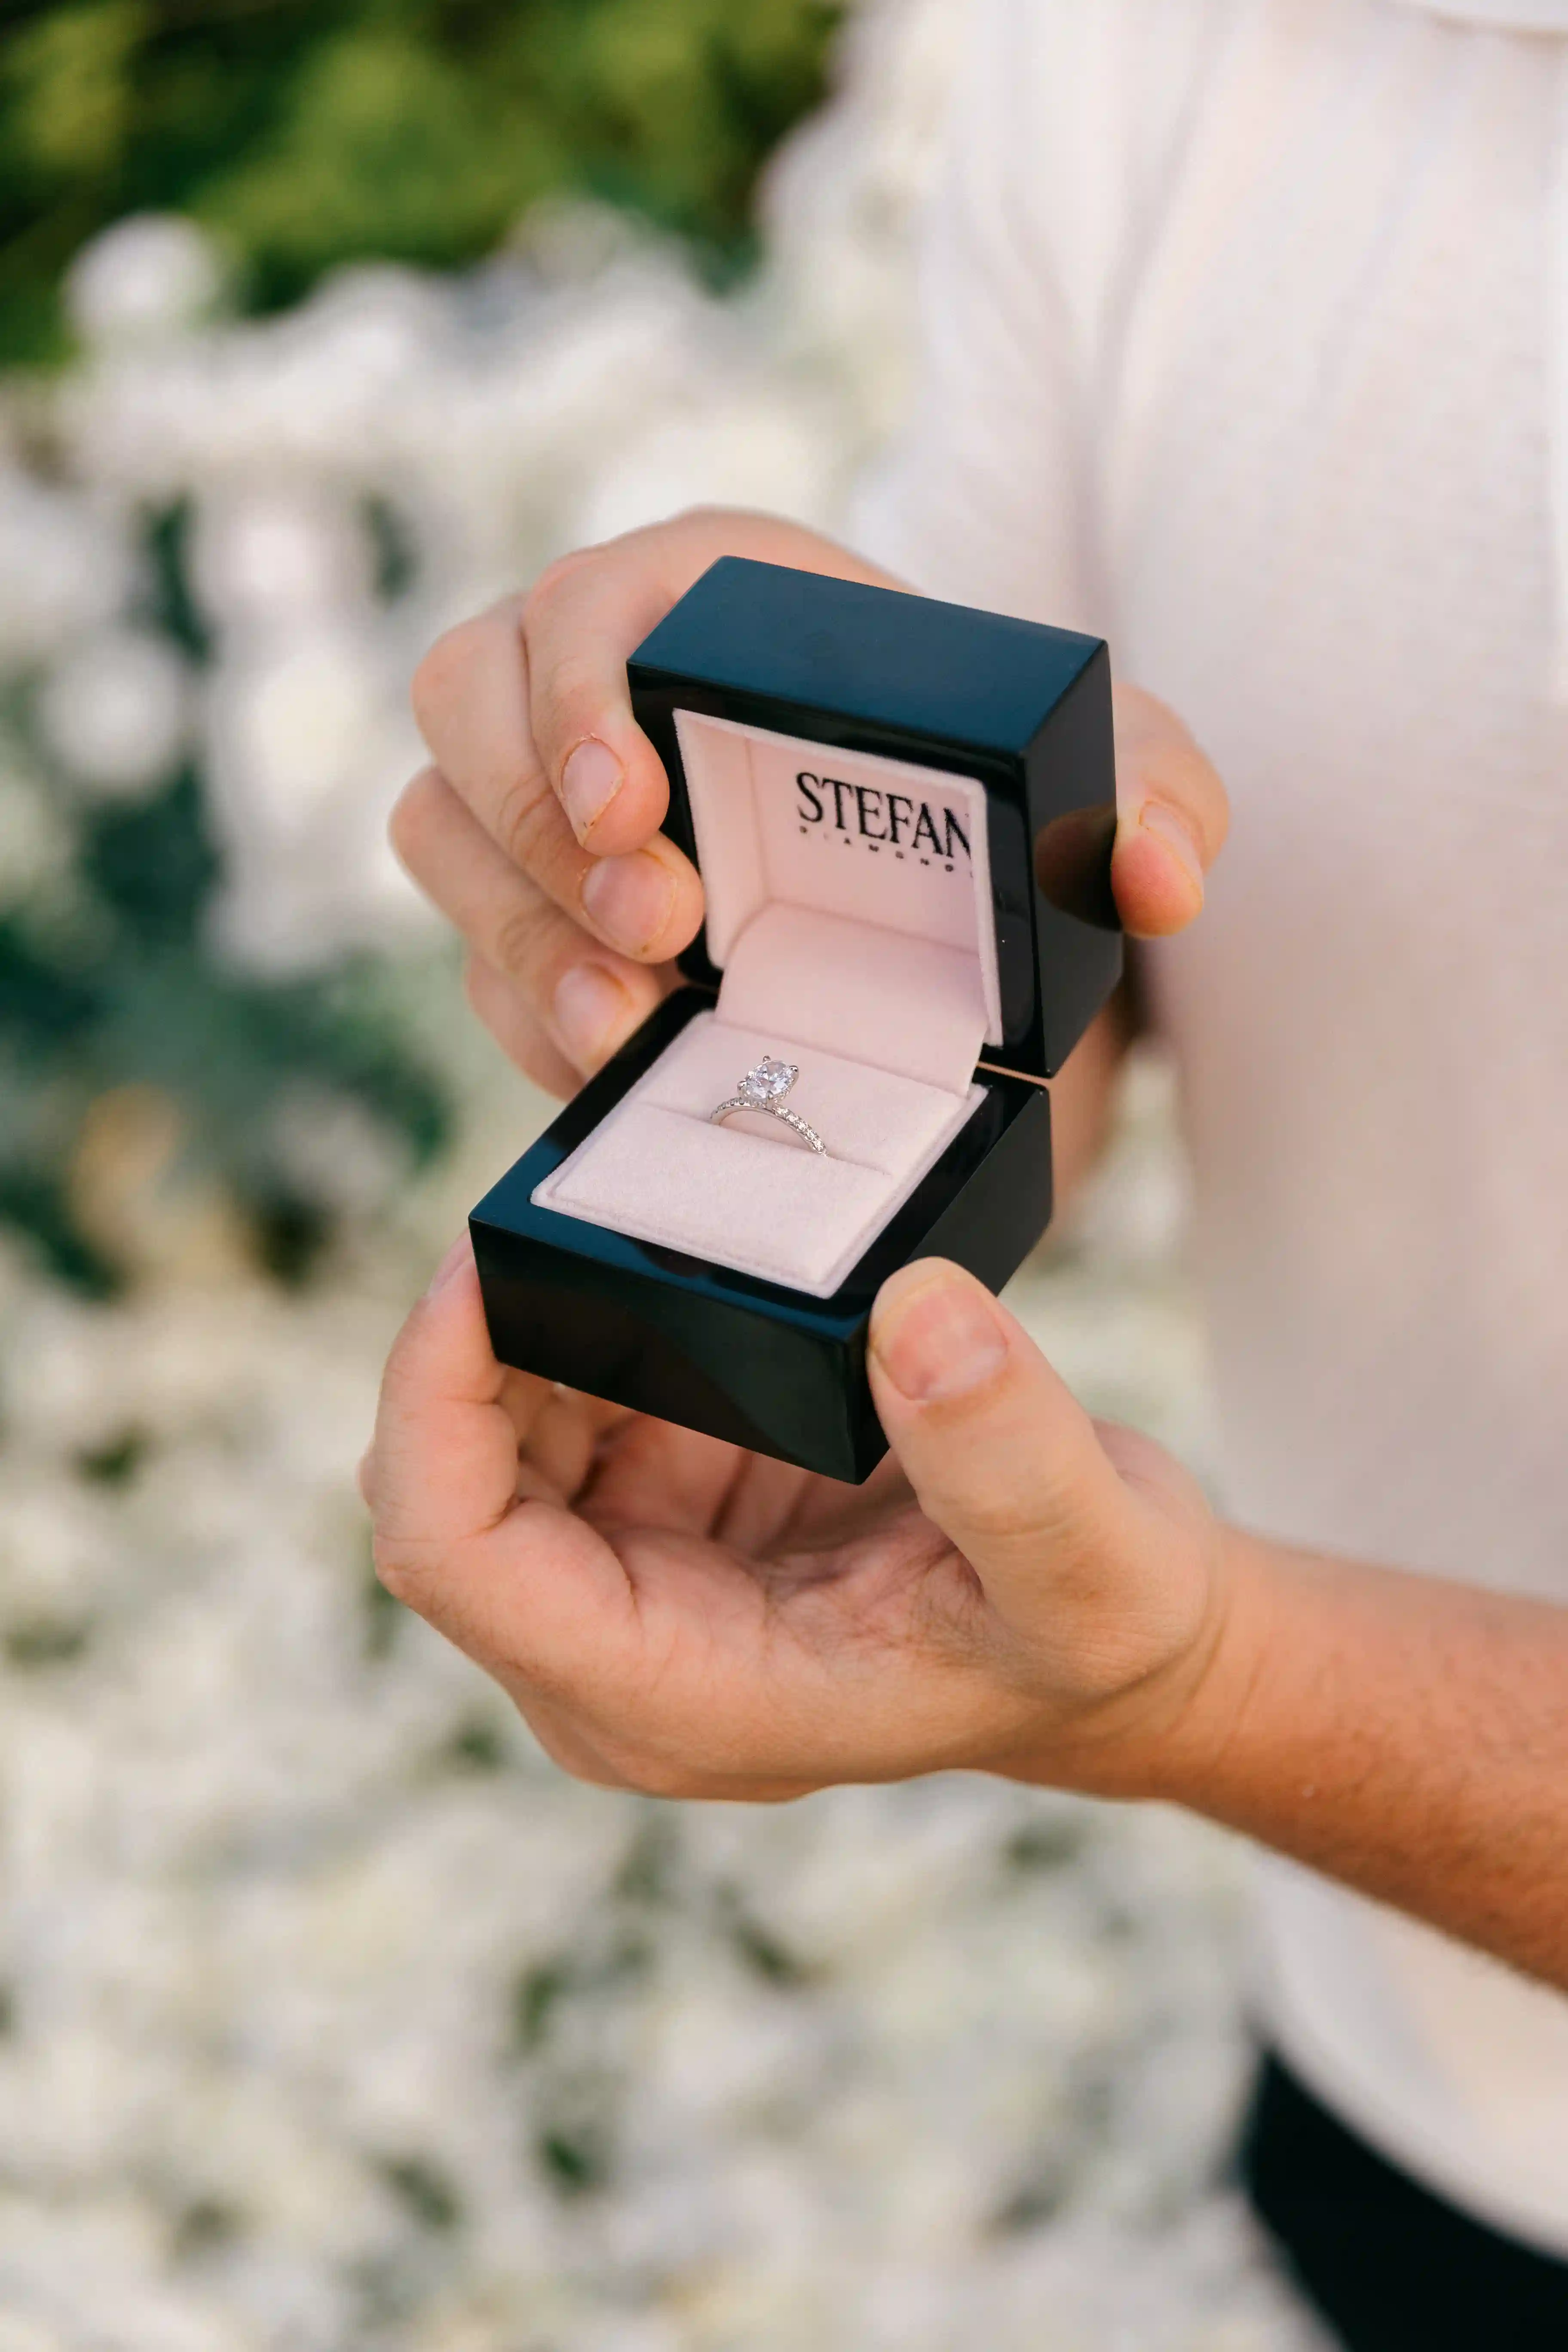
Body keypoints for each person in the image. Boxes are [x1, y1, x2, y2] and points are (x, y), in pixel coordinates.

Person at [360, 3, 1568, 2343]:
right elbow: (1060, 1000)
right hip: (1399, 2088)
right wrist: (770, 819)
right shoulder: (1149, 42)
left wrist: (1209, 1688)